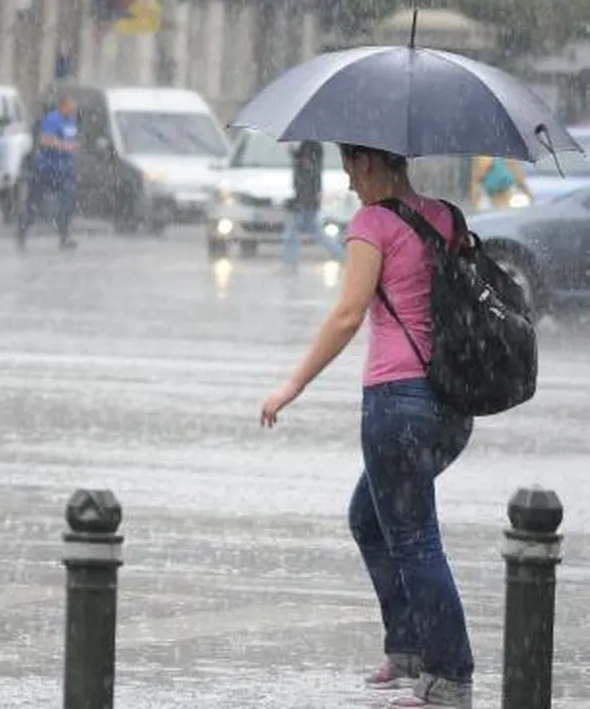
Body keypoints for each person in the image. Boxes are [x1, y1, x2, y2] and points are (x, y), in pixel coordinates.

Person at [259, 144, 474, 708]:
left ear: (373, 163)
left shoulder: (372, 223)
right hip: (450, 405)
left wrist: (293, 384)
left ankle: (450, 675)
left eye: (352, 166)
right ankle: (408, 647)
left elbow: (347, 314)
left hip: (397, 400)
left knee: (416, 538)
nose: (349, 179)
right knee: (370, 518)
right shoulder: (446, 216)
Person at [17, 94, 79, 250]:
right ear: (63, 106)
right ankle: (22, 232)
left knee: (67, 203)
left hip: (65, 170)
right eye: (71, 107)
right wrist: (64, 146)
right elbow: (45, 140)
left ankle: (64, 237)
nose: (73, 110)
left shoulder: (71, 121)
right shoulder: (53, 119)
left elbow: (71, 140)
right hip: (47, 169)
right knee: (34, 203)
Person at [282, 141, 344, 272]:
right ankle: (342, 256)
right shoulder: (310, 146)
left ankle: (290, 264)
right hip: (306, 199)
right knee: (314, 233)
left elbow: (308, 172)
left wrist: (302, 201)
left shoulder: (311, 146)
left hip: (305, 200)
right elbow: (307, 167)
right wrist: (294, 153)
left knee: (292, 233)